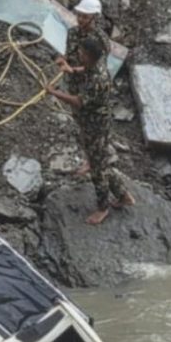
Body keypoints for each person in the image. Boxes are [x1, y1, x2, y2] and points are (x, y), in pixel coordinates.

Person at [45, 37, 134, 225]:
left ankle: (103, 208)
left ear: (89, 56)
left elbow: (78, 101)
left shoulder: (97, 81)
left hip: (96, 127)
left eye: (82, 54)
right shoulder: (98, 63)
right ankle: (124, 195)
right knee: (98, 161)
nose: (79, 55)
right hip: (92, 123)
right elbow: (86, 70)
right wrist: (71, 70)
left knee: (99, 171)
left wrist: (54, 93)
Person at [55, 0, 112, 176]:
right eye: (79, 15)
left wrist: (73, 69)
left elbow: (97, 67)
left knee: (93, 126)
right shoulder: (72, 32)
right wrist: (62, 60)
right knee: (80, 123)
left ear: (94, 17)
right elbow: (68, 52)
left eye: (85, 17)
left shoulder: (100, 40)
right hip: (74, 83)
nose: (81, 20)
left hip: (90, 87)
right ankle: (91, 157)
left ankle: (98, 160)